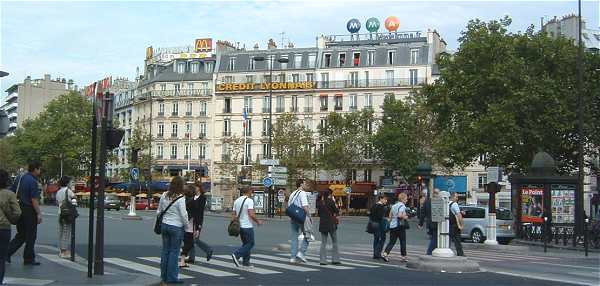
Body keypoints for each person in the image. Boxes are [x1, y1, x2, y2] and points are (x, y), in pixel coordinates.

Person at [7, 161, 43, 265]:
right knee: (31, 235)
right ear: (35, 169)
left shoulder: (19, 178)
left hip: (19, 207)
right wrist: (39, 213)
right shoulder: (33, 181)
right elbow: (34, 199)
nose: (40, 171)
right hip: (29, 209)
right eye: (39, 169)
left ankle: (7, 253)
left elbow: (12, 191)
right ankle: (28, 258)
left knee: (21, 234)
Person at [157, 176, 189, 285]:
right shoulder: (180, 198)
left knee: (165, 251)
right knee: (174, 252)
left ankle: (163, 276)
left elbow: (159, 211)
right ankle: (172, 277)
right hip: (176, 226)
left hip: (165, 225)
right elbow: (184, 215)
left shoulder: (164, 195)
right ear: (180, 185)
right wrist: (187, 226)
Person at [181, 182, 213, 266]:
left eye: (196, 186)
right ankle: (191, 258)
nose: (195, 188)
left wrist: (198, 225)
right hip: (190, 220)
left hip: (197, 220)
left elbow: (199, 210)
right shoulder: (191, 196)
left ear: (199, 188)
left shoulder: (202, 198)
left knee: (194, 239)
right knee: (189, 239)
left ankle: (208, 249)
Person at [231, 187, 262, 267]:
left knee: (246, 244)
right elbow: (251, 214)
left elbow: (233, 214)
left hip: (239, 226)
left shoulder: (236, 201)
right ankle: (236, 255)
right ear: (249, 192)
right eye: (251, 192)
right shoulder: (249, 201)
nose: (252, 193)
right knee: (251, 243)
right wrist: (258, 221)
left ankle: (246, 262)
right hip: (247, 226)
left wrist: (233, 223)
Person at [0, 169, 22, 284]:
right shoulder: (9, 194)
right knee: (1, 258)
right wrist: (12, 219)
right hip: (4, 228)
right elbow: (17, 212)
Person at [289, 179, 311, 263]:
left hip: (293, 217)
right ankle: (301, 252)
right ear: (301, 184)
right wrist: (309, 216)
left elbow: (289, 206)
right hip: (302, 217)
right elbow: (305, 206)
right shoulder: (302, 193)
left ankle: (292, 257)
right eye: (305, 183)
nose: (305, 185)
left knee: (294, 237)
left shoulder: (292, 194)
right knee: (308, 235)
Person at [316, 190, 340, 265]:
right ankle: (335, 259)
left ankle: (322, 260)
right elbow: (336, 211)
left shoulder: (320, 203)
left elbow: (319, 214)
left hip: (323, 224)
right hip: (331, 224)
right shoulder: (331, 201)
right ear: (330, 194)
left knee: (323, 242)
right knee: (334, 241)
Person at [383, 193, 409, 262]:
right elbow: (399, 215)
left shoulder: (394, 206)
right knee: (402, 241)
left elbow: (390, 216)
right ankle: (404, 257)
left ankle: (385, 253)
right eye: (406, 199)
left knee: (392, 241)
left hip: (392, 226)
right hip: (400, 226)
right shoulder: (402, 206)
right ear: (402, 199)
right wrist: (405, 217)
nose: (407, 200)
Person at [56, 176, 75, 259]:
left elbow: (57, 202)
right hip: (67, 214)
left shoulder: (58, 191)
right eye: (71, 182)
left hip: (60, 213)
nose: (72, 184)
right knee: (66, 232)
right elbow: (74, 200)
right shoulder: (69, 191)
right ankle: (64, 251)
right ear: (67, 183)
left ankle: (61, 250)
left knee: (61, 232)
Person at [419, 188, 440, 255]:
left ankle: (432, 252)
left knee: (434, 238)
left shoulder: (427, 201)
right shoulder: (439, 201)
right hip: (436, 223)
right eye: (438, 193)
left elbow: (423, 213)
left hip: (430, 224)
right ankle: (429, 252)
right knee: (435, 239)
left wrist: (420, 223)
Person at [369, 195, 388, 260]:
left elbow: (370, 214)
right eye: (385, 199)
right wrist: (386, 219)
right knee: (382, 238)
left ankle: (375, 254)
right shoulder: (381, 206)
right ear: (381, 199)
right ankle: (377, 253)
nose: (386, 201)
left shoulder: (374, 205)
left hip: (374, 224)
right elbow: (380, 217)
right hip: (380, 225)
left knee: (376, 239)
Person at [449, 192, 464, 256]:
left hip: (448, 225)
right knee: (457, 240)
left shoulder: (447, 204)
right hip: (454, 225)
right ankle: (460, 254)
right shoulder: (454, 204)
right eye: (456, 197)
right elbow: (459, 215)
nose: (457, 198)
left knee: (448, 239)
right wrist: (461, 225)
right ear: (452, 197)